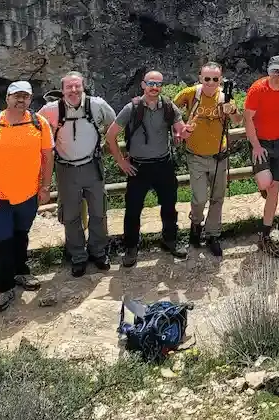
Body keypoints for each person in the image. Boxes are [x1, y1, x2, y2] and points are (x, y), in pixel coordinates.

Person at [0, 81, 54, 312]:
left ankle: (21, 272)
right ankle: (3, 287)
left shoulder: (39, 124)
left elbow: (48, 156)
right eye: (16, 96)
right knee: (1, 240)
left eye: (25, 97)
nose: (21, 100)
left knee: (21, 235)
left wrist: (45, 186)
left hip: (28, 194)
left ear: (30, 100)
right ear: (7, 98)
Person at [108, 70, 189, 266]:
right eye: (150, 83)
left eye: (158, 84)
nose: (154, 87)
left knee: (169, 207)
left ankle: (169, 240)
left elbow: (181, 130)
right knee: (133, 210)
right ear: (143, 85)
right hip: (138, 167)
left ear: (161, 86)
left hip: (164, 164)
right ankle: (131, 247)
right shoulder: (131, 108)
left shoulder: (169, 106)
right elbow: (111, 136)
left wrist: (185, 132)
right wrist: (121, 162)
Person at [40, 72, 116, 277]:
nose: (73, 91)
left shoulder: (97, 105)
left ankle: (99, 252)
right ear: (62, 90)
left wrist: (107, 146)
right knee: (71, 215)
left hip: (93, 165)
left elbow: (114, 124)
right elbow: (37, 131)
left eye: (77, 87)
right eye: (69, 88)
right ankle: (77, 256)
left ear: (83, 87)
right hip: (65, 169)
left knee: (98, 212)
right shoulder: (50, 110)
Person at [173, 63, 241, 257]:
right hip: (196, 155)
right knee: (200, 197)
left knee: (217, 198)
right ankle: (196, 224)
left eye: (215, 79)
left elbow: (237, 121)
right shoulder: (190, 94)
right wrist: (180, 129)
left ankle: (213, 234)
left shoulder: (224, 97)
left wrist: (232, 110)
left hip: (220, 154)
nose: (211, 83)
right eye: (207, 78)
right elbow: (170, 111)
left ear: (220, 79)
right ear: (200, 78)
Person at [243, 56, 279, 254]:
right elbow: (247, 119)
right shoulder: (257, 89)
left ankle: (265, 233)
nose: (277, 75)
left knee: (274, 187)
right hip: (262, 142)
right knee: (265, 183)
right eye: (274, 70)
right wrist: (256, 146)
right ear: (268, 71)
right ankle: (267, 214)